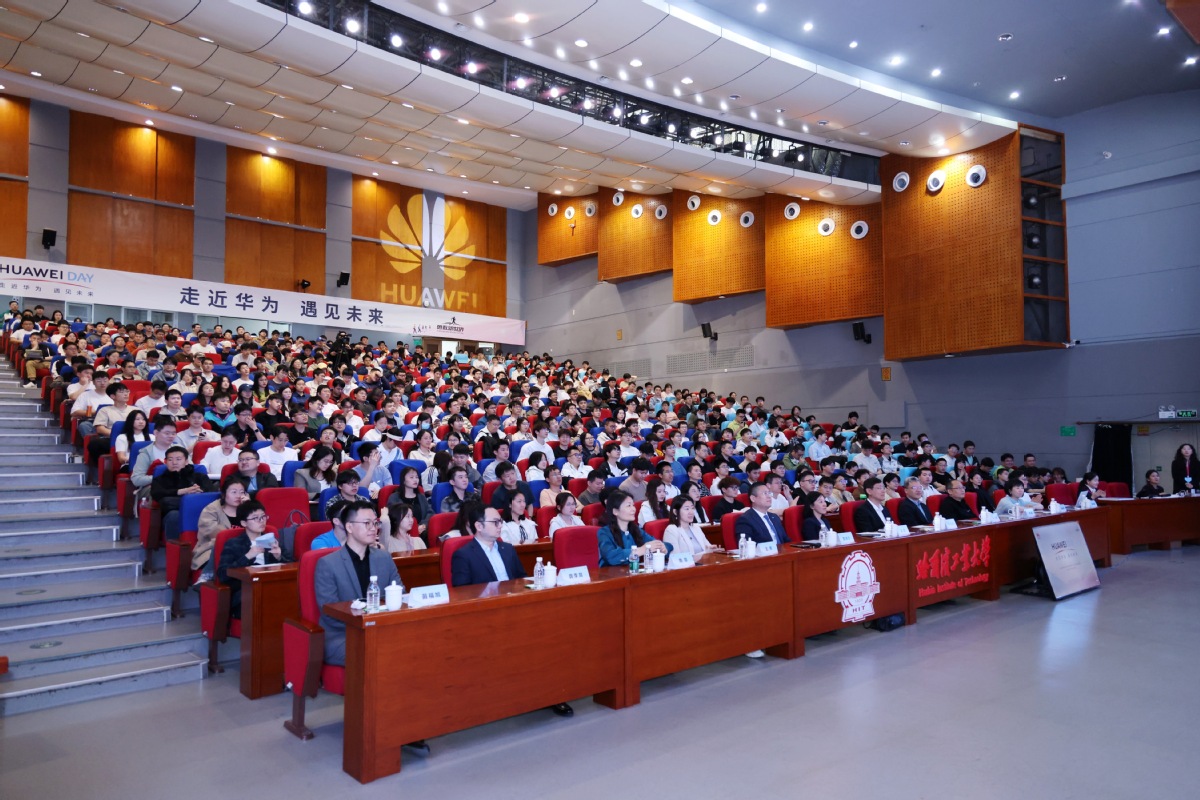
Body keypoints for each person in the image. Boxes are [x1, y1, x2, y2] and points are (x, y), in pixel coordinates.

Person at [150, 445, 217, 539]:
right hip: (175, 512)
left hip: (200, 510)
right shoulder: (160, 479)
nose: (174, 462)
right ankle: (175, 545)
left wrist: (196, 494)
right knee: (173, 514)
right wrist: (181, 491)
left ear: (186, 461)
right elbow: (157, 494)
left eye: (178, 459)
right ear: (166, 462)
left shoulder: (199, 476)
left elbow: (212, 493)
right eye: (170, 459)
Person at [597, 490, 668, 567]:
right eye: (628, 506)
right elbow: (611, 556)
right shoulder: (604, 532)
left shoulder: (635, 529)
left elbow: (655, 542)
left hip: (634, 572)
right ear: (615, 511)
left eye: (633, 505)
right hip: (612, 573)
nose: (633, 509)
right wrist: (641, 550)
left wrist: (662, 547)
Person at [194, 476, 249, 577]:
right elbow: (215, 534)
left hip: (244, 550)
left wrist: (249, 508)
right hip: (212, 551)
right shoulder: (211, 510)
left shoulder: (248, 510)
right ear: (223, 494)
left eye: (242, 492)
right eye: (234, 492)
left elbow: (258, 529)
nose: (238, 496)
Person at [735, 482, 788, 547]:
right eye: (765, 493)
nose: (769, 496)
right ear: (753, 498)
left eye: (769, 493)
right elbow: (747, 546)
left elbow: (786, 540)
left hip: (783, 551)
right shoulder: (745, 520)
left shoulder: (774, 517)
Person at [388, 466, 433, 533]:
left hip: (422, 530)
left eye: (417, 477)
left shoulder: (421, 496)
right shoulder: (394, 497)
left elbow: (430, 513)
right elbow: (393, 517)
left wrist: (423, 525)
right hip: (402, 532)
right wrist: (414, 528)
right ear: (403, 480)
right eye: (411, 477)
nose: (415, 480)